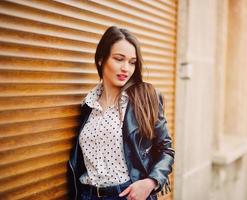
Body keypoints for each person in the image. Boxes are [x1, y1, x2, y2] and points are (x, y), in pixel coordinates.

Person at [67, 26, 175, 200]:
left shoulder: (145, 97)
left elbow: (166, 150)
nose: (126, 68)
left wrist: (150, 182)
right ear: (101, 59)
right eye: (119, 59)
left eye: (132, 62)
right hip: (87, 194)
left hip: (126, 194)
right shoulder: (88, 105)